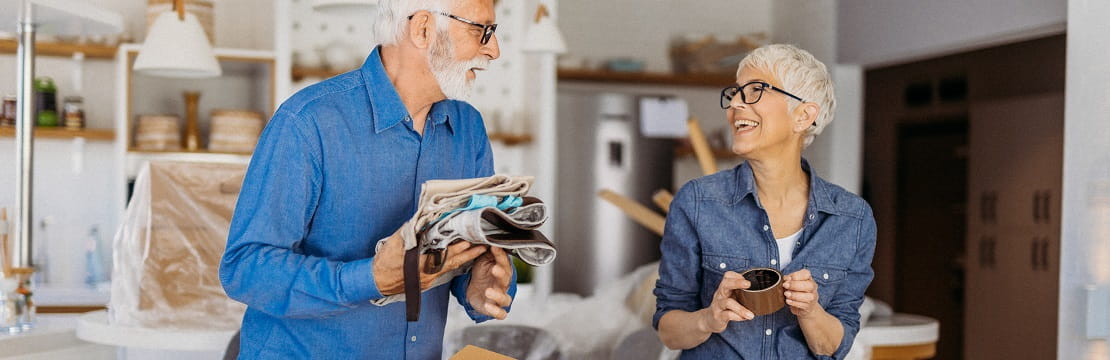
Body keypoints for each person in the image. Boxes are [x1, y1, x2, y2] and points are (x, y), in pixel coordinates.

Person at [219, 0, 516, 358]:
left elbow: (465, 250)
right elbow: (244, 268)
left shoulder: (468, 129)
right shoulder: (307, 122)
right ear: (423, 28)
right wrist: (369, 279)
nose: (494, 50)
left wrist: (477, 284)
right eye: (480, 30)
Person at [653, 44, 876, 359]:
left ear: (803, 115)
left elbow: (832, 346)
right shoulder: (698, 202)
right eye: (735, 93)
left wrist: (810, 310)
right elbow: (669, 329)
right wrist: (708, 318)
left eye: (755, 90)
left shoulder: (852, 218)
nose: (735, 103)